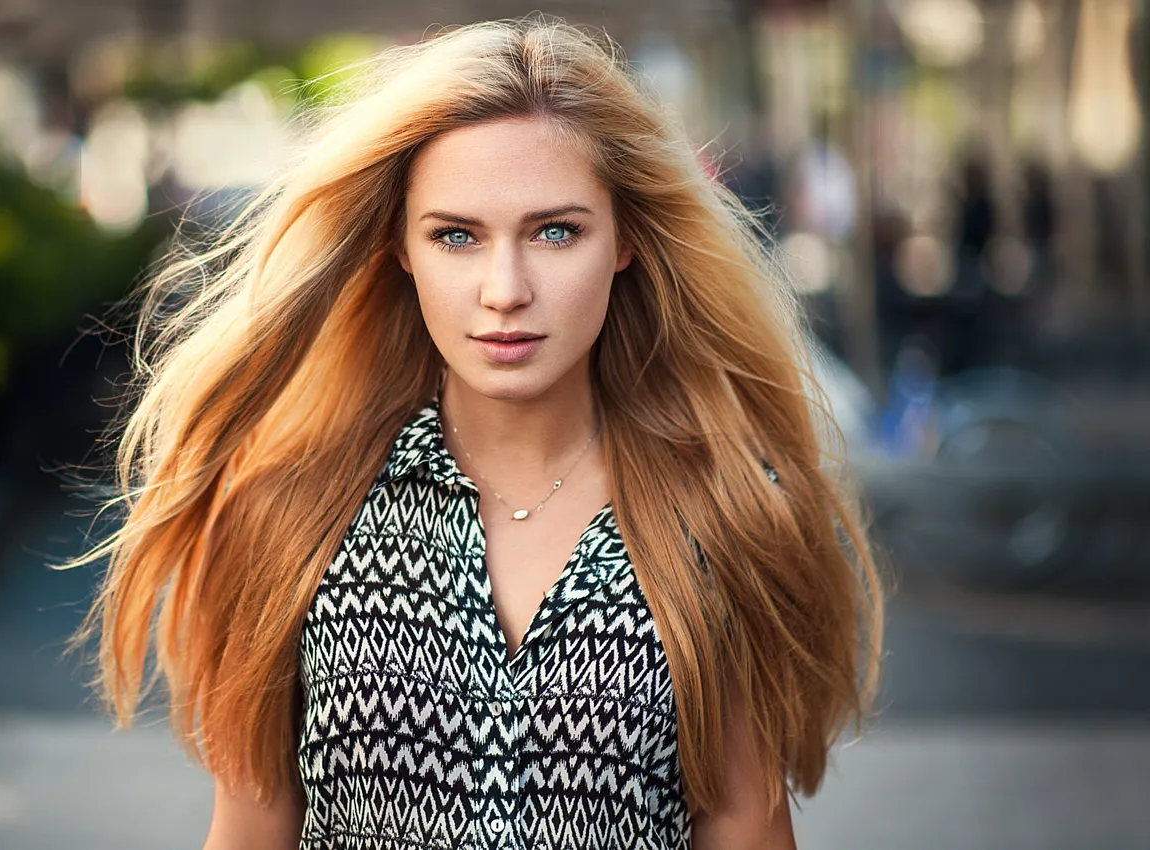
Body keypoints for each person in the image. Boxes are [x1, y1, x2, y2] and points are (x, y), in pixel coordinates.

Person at [61, 17, 884, 850]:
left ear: (627, 239)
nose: (504, 289)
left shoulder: (717, 513)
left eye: (555, 231)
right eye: (456, 235)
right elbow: (247, 832)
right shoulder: (295, 512)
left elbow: (744, 830)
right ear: (400, 248)